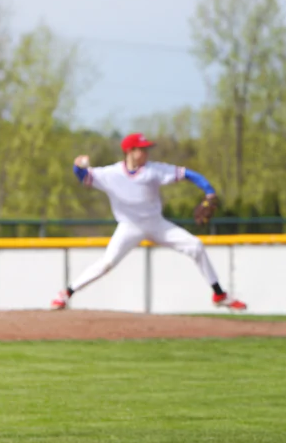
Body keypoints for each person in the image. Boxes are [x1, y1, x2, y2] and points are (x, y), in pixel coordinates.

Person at [50, 133, 247, 311]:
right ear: (129, 151)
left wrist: (209, 191)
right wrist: (78, 165)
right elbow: (83, 176)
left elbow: (189, 174)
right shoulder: (111, 174)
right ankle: (66, 293)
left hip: (156, 224)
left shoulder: (154, 170)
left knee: (195, 246)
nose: (146, 152)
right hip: (129, 226)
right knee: (107, 263)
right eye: (141, 149)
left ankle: (219, 294)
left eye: (146, 149)